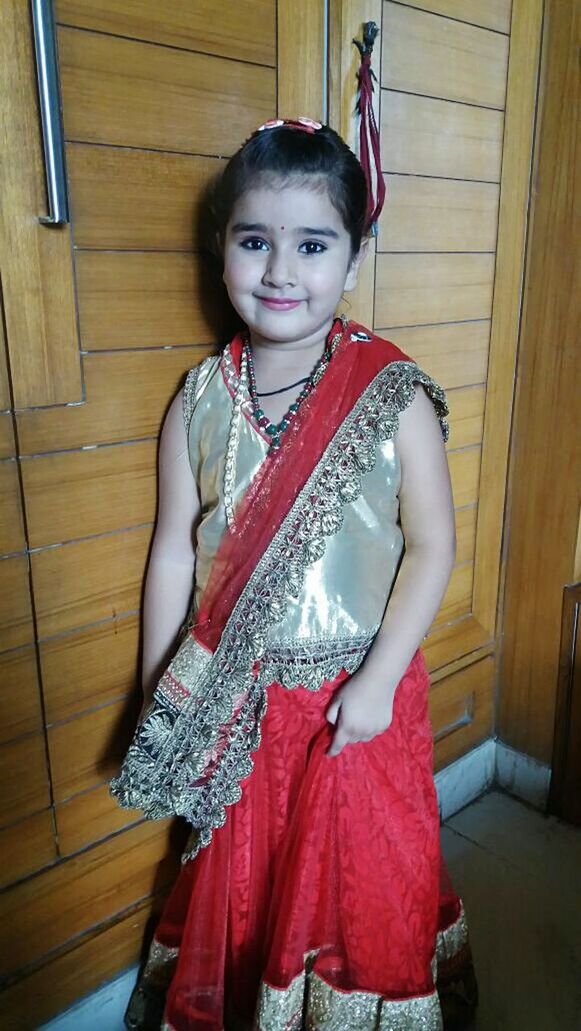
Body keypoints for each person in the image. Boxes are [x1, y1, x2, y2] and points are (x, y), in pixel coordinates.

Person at [111, 117, 478, 1031]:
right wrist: (164, 682)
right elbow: (170, 548)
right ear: (223, 250)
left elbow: (432, 544)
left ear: (352, 258)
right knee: (251, 884)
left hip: (357, 706)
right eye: (254, 241)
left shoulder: (389, 392)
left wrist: (380, 680)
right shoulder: (198, 399)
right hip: (238, 709)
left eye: (312, 245)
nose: (280, 270)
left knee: (365, 878)